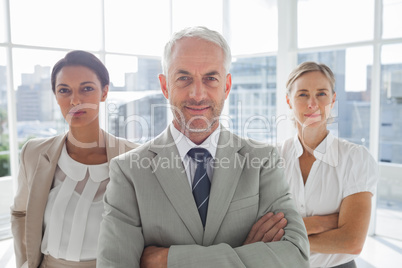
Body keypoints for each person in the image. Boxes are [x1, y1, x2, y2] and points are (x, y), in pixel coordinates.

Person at [97, 26, 309, 268]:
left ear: (226, 86)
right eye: (184, 78)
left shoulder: (262, 160)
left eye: (210, 78)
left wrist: (167, 260)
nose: (197, 94)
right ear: (165, 86)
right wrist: (246, 254)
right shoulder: (129, 171)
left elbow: (295, 256)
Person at [10, 50, 137, 268]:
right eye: (64, 90)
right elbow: (21, 213)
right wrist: (25, 262)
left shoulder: (134, 157)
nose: (75, 100)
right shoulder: (33, 153)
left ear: (104, 92)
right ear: (56, 96)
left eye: (87, 89)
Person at [279, 61, 378, 268]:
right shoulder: (274, 158)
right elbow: (261, 228)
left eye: (321, 94)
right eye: (303, 94)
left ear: (333, 100)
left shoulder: (354, 158)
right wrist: (322, 223)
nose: (312, 104)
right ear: (289, 100)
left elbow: (352, 242)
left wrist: (290, 238)